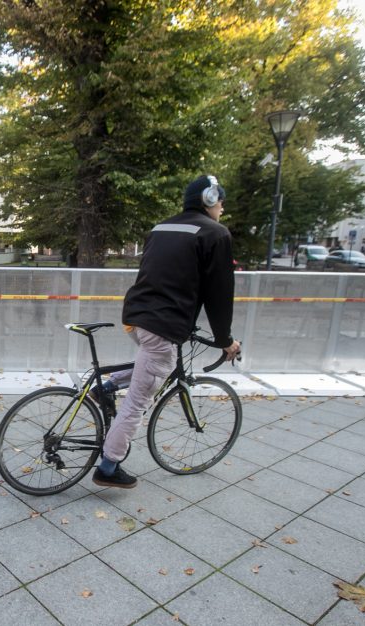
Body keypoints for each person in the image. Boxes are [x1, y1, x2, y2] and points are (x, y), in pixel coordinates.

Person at [91, 174, 241, 488]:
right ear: (209, 199)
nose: (223, 207)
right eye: (221, 199)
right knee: (138, 401)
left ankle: (107, 387)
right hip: (163, 325)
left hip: (135, 317)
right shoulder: (215, 234)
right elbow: (219, 296)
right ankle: (108, 466)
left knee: (155, 365)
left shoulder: (162, 227)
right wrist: (225, 340)